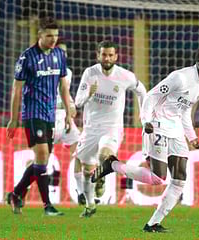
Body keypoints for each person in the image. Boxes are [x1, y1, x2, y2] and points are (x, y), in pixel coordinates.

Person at [91, 47, 199, 232]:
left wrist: (191, 138)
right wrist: (146, 121)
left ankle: (153, 223)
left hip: (176, 131)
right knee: (158, 178)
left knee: (179, 180)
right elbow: (152, 95)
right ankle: (112, 165)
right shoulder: (180, 77)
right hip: (157, 124)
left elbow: (184, 111)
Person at [6, 16, 76, 216]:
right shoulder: (27, 57)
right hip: (32, 113)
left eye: (55, 35)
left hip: (50, 114)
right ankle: (47, 206)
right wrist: (14, 118)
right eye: (48, 36)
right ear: (40, 35)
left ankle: (16, 193)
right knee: (43, 154)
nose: (53, 39)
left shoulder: (59, 56)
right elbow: (17, 89)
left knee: (42, 160)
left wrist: (69, 117)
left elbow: (63, 87)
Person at [74, 40, 146, 217]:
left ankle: (102, 177)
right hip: (90, 129)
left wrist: (143, 114)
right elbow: (77, 102)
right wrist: (89, 94)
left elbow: (141, 90)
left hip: (112, 127)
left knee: (104, 155)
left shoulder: (124, 76)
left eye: (110, 55)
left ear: (116, 56)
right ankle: (90, 206)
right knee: (86, 171)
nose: (107, 58)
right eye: (103, 54)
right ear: (98, 55)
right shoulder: (90, 73)